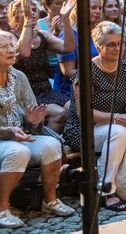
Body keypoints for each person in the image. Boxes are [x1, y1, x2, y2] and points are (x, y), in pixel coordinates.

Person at [64, 22, 126, 211]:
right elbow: (83, 113)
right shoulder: (86, 72)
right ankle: (106, 189)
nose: (117, 48)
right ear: (99, 45)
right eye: (111, 44)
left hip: (114, 122)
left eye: (119, 43)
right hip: (85, 129)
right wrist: (116, 118)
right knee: (118, 132)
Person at [0, 31, 74, 228]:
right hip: (3, 139)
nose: (11, 50)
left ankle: (49, 200)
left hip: (19, 136)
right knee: (19, 151)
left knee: (51, 145)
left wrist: (33, 121)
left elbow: (33, 121)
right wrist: (7, 132)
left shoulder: (19, 76)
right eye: (4, 47)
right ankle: (2, 209)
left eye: (11, 46)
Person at [10, 0, 73, 131]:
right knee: (60, 113)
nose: (31, 13)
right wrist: (27, 22)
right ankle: (48, 141)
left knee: (73, 108)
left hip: (46, 90)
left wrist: (66, 19)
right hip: (26, 94)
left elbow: (68, 47)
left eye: (33, 10)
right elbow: (24, 52)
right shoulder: (9, 37)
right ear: (15, 17)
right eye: (25, 11)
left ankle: (67, 143)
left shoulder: (42, 35)